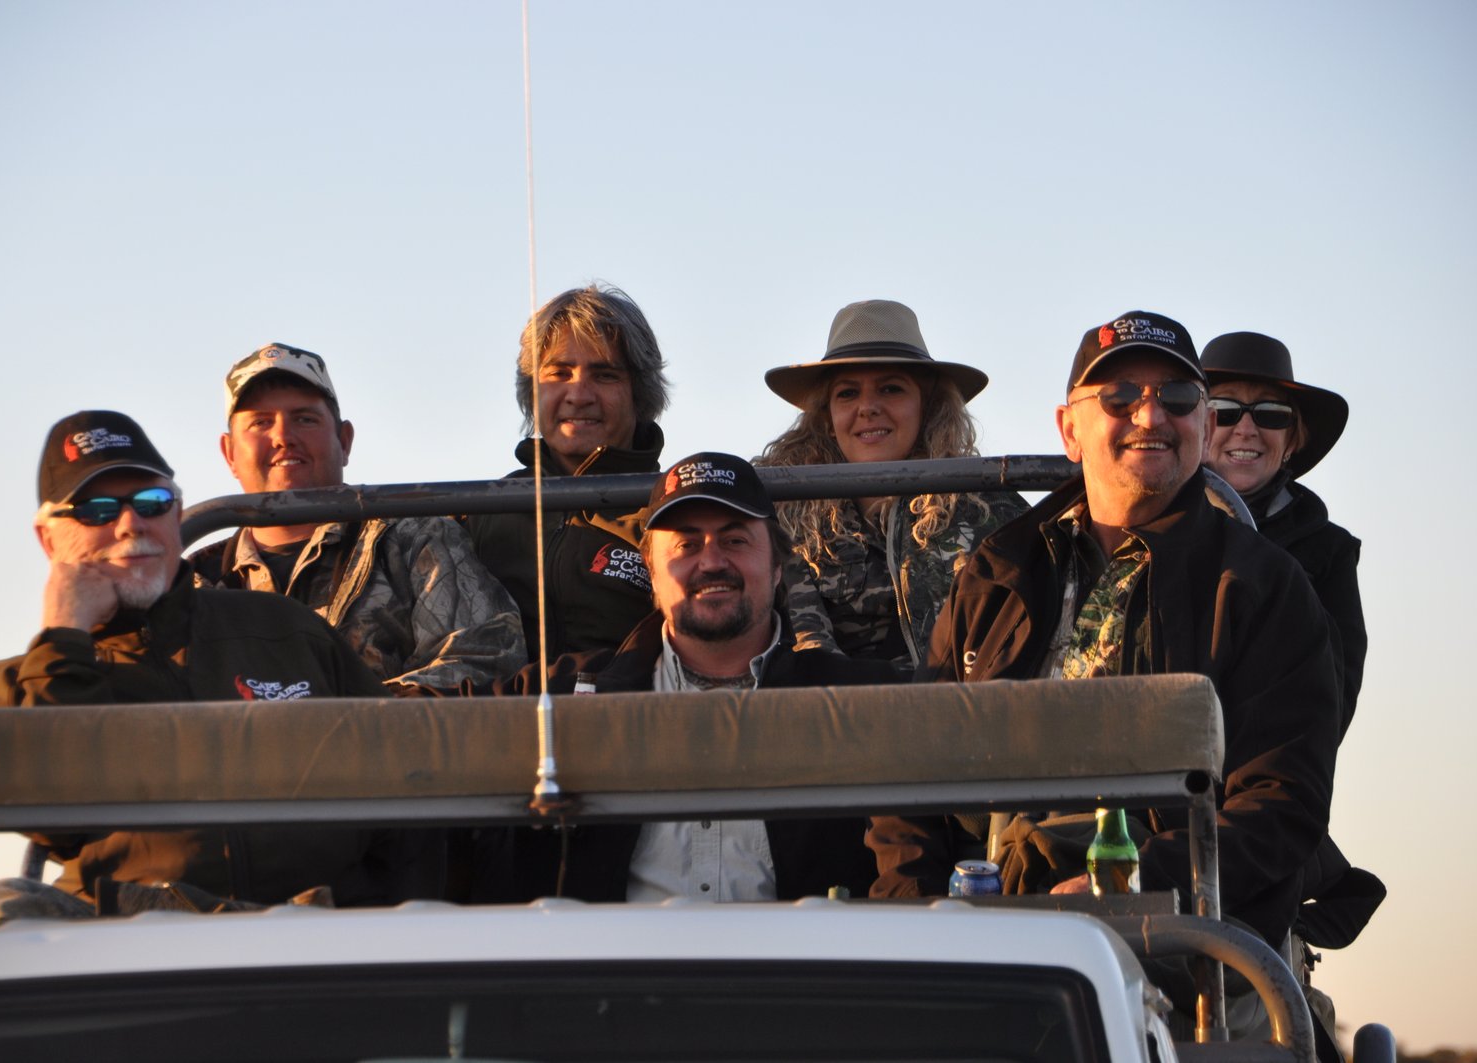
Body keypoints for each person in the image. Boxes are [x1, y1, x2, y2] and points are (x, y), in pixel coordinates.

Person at [867, 311, 1340, 960]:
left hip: (1176, 944)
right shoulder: (997, 571)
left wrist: (1135, 883)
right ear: (1070, 430)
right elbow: (909, 771)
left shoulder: (1264, 587)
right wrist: (917, 919)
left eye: (1178, 397)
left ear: (1204, 426)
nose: (1150, 416)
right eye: (1118, 397)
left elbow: (1282, 802)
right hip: (986, 926)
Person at [0, 410, 433, 917]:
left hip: (320, 931)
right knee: (9, 907)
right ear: (48, 539)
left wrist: (382, 914)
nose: (130, 524)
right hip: (139, 942)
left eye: (152, 502)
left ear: (176, 514)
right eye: (96, 510)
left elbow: (406, 784)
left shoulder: (286, 628)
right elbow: (52, 818)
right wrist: (64, 638)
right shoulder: (18, 684)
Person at [445, 453, 899, 903]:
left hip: (802, 952)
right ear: (652, 573)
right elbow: (422, 727)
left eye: (735, 540)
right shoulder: (558, 694)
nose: (712, 562)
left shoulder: (863, 701)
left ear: (778, 567)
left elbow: (910, 865)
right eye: (685, 545)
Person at [190, 342, 526, 690]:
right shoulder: (193, 581)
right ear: (229, 453)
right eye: (261, 422)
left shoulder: (417, 542)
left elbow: (482, 661)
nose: (283, 437)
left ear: (344, 441)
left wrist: (343, 714)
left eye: (305, 419)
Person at [757, 299, 1027, 670]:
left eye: (891, 389)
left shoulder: (988, 512)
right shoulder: (779, 513)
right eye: (848, 393)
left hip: (956, 701)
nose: (868, 407)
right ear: (826, 416)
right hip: (818, 702)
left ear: (927, 405)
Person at [465, 285, 670, 658]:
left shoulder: (675, 513)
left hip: (634, 696)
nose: (579, 395)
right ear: (532, 391)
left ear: (639, 393)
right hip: (499, 697)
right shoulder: (478, 512)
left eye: (604, 375)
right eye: (559, 373)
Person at [1201, 331, 1364, 736]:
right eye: (1225, 410)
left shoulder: (1330, 552)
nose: (1246, 428)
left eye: (1271, 413)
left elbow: (1332, 705)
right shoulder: (1139, 531)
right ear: (1197, 428)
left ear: (1292, 439)